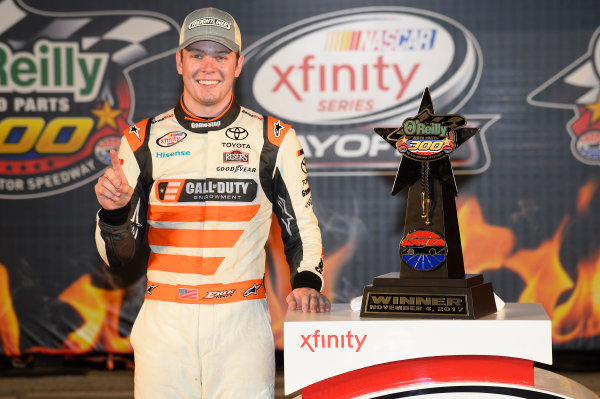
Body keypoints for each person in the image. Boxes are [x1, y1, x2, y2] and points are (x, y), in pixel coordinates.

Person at [94, 7, 330, 399]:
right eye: (197, 54)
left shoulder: (274, 138)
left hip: (242, 323)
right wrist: (115, 212)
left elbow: (301, 224)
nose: (209, 66)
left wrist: (307, 282)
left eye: (221, 55)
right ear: (179, 61)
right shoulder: (140, 140)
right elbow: (116, 256)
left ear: (238, 64)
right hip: (164, 322)